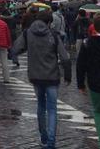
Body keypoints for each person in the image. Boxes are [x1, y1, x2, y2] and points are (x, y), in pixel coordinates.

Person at [12, 10, 72, 149]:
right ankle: (51, 141)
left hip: (35, 76)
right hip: (52, 76)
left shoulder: (28, 33)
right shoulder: (53, 35)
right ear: (49, 22)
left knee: (41, 106)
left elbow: (15, 48)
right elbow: (65, 57)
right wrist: (68, 75)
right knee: (52, 109)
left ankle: (44, 137)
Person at [77, 16, 100, 148]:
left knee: (98, 112)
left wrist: (81, 84)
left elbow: (80, 66)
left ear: (94, 28)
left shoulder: (87, 44)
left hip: (95, 84)